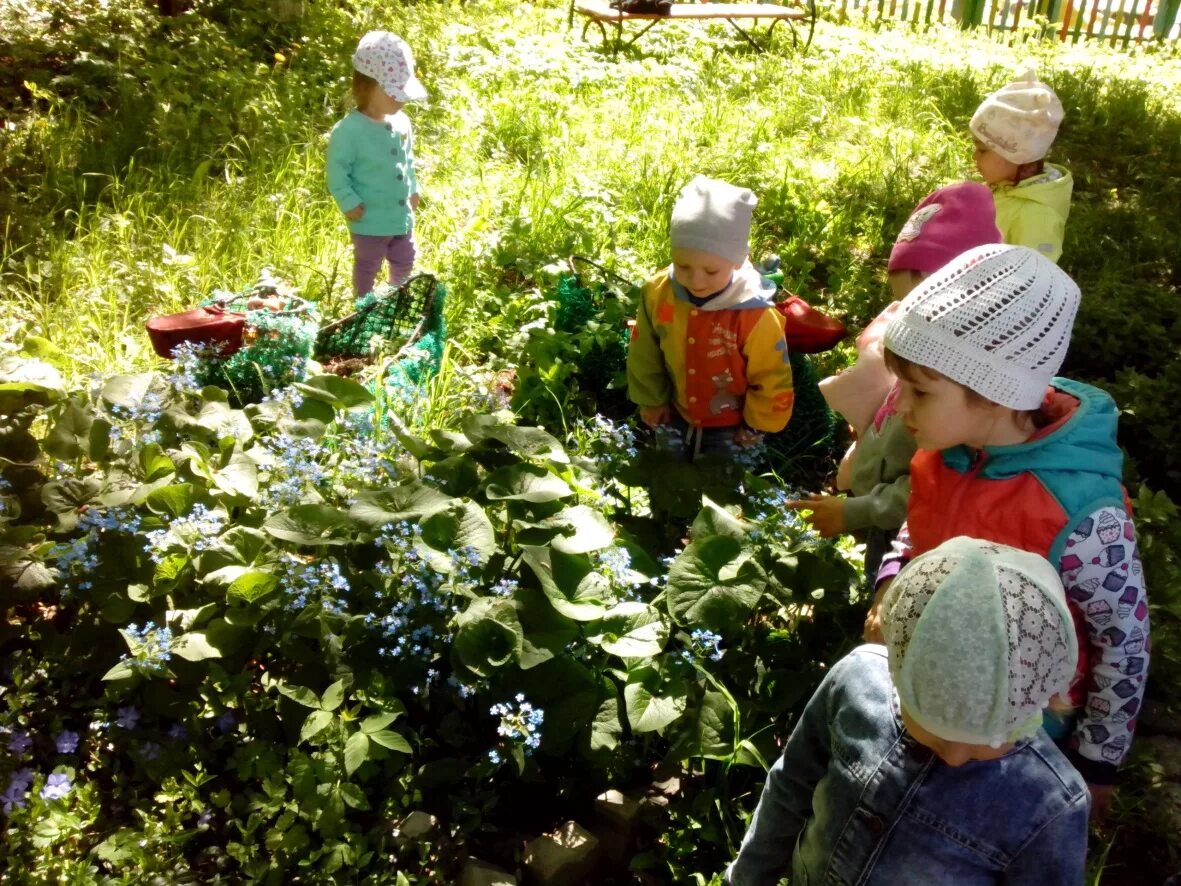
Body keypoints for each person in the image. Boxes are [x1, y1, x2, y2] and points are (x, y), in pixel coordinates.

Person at [864, 243, 1149, 818]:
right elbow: (916, 536)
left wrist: (1095, 764)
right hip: (933, 690)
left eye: (919, 391)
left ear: (994, 393)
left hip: (1028, 722)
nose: (898, 408)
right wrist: (893, 583)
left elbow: (1125, 638)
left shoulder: (1080, 512)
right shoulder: (941, 456)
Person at [727, 536, 1090, 886]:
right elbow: (790, 786)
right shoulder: (856, 681)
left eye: (990, 738)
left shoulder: (1050, 805)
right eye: (935, 727)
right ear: (899, 672)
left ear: (1035, 702)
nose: (955, 756)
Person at [787, 182, 1002, 578]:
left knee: (887, 580)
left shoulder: (963, 400)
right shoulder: (926, 359)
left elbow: (927, 488)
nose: (904, 317)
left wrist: (855, 511)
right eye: (902, 304)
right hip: (875, 498)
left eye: (915, 307)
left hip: (902, 529)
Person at [627, 175, 794, 461]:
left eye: (711, 271)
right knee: (668, 474)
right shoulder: (659, 293)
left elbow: (771, 375)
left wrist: (756, 424)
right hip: (674, 410)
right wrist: (653, 399)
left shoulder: (754, 314)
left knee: (722, 486)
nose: (696, 280)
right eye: (683, 265)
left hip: (734, 426)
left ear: (736, 261)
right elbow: (645, 350)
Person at [327, 31, 426, 299]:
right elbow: (337, 172)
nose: (402, 100)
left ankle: (396, 297)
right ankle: (364, 305)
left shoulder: (402, 122)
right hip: (368, 218)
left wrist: (413, 188)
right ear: (366, 87)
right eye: (394, 93)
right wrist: (347, 201)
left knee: (406, 257)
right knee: (368, 264)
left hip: (399, 215)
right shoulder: (349, 131)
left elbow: (407, 159)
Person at [970, 66, 1072, 263]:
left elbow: (1034, 276)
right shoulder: (1005, 185)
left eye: (982, 150)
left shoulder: (1037, 217)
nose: (975, 157)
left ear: (1018, 158)